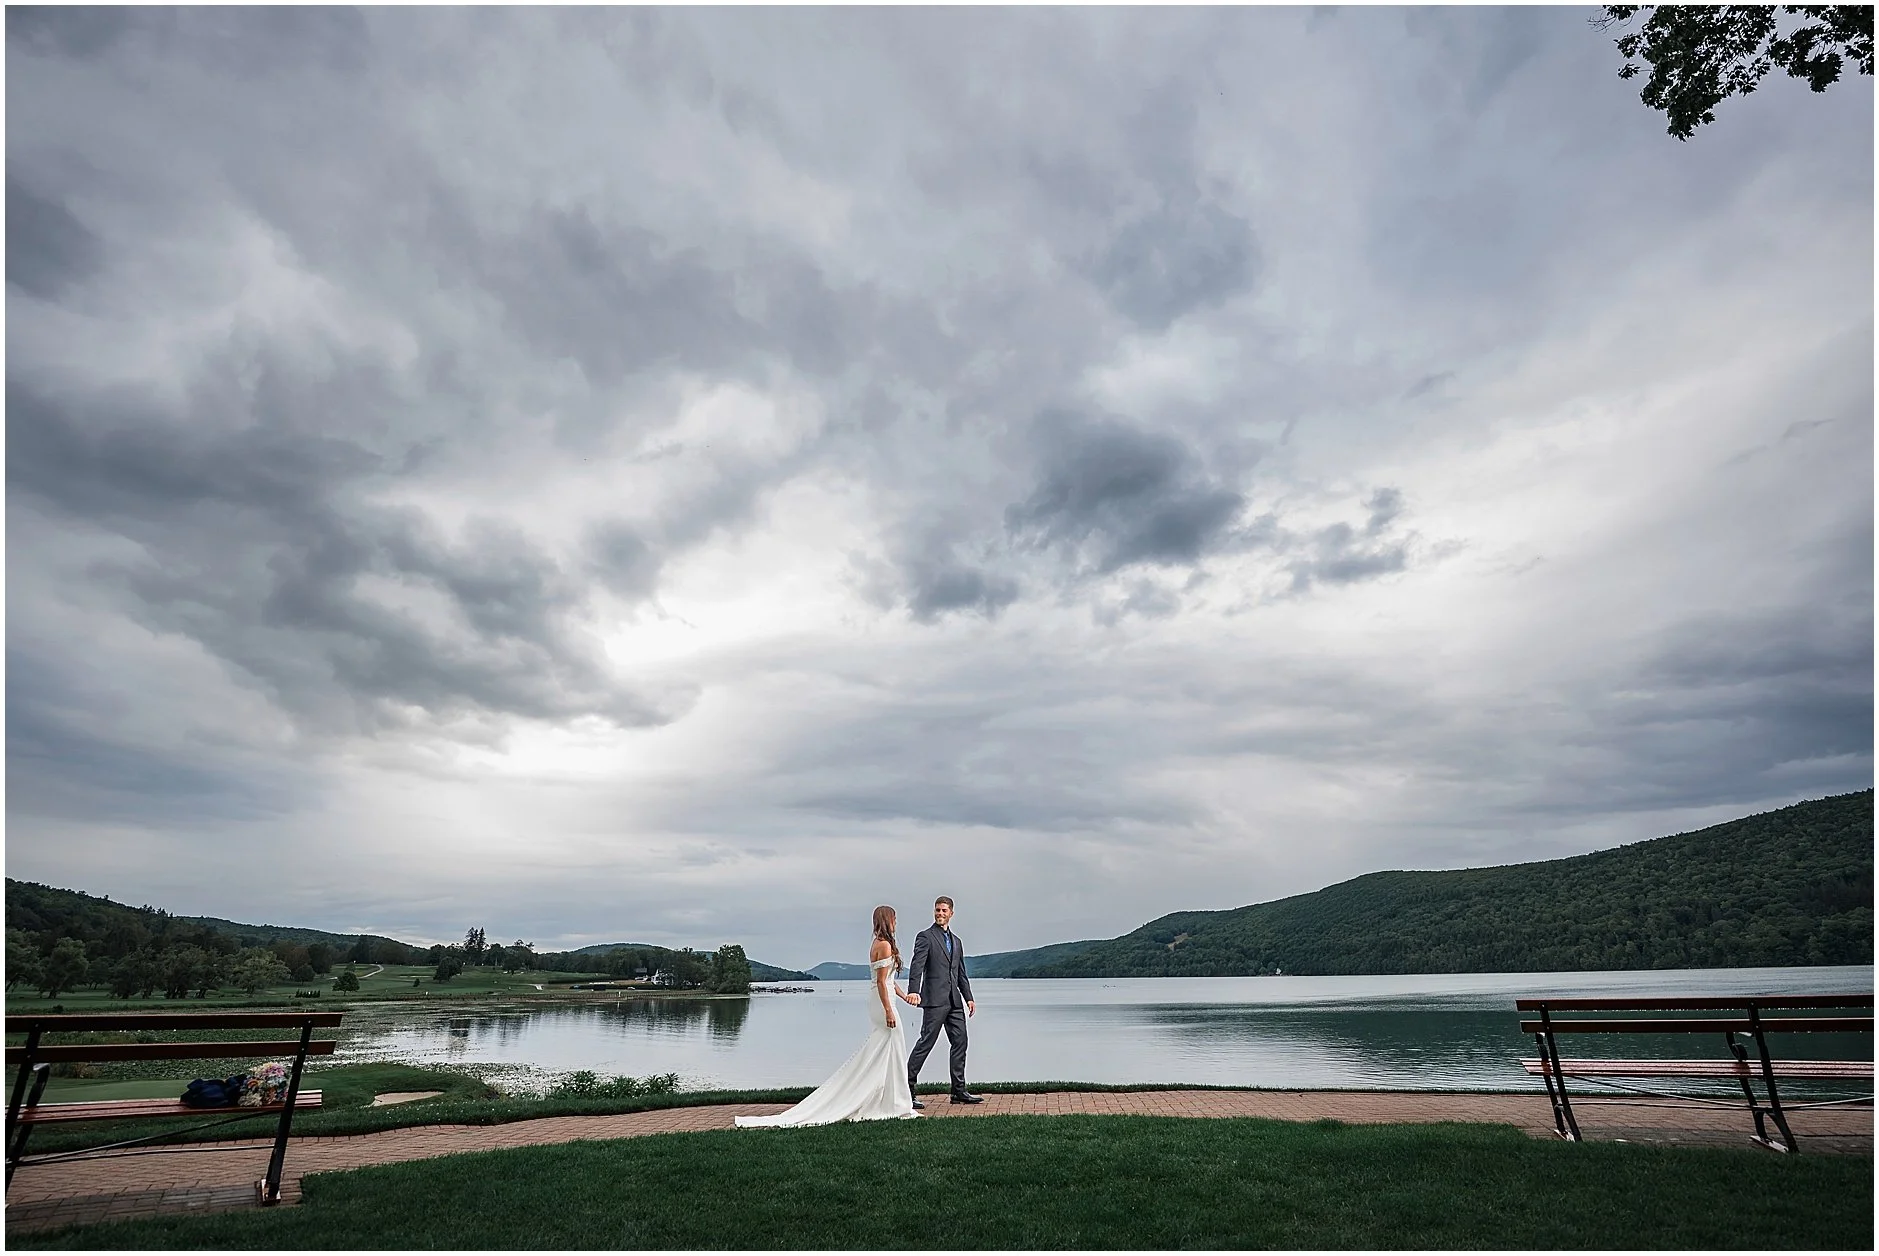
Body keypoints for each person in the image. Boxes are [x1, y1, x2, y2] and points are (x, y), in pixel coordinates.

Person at [734, 906, 920, 1128]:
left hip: (882, 1000)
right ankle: (891, 1101)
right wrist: (889, 1010)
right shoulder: (884, 945)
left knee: (889, 1050)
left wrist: (905, 996)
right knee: (890, 1048)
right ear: (887, 921)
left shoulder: (879, 944)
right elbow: (881, 982)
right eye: (895, 919)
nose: (896, 922)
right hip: (882, 1004)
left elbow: (889, 981)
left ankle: (890, 1098)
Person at [905, 895, 982, 1106]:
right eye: (937, 910)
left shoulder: (957, 942)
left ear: (951, 913)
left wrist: (969, 998)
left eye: (944, 911)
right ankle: (907, 1090)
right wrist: (913, 991)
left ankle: (958, 1092)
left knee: (960, 1042)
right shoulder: (925, 937)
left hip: (955, 1002)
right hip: (934, 1000)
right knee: (926, 1043)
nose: (940, 914)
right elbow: (917, 966)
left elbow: (960, 973)